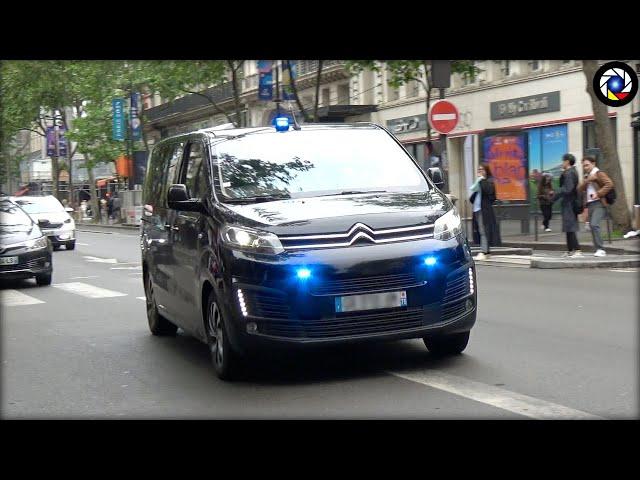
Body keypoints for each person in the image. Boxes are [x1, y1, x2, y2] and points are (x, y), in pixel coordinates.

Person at [577, 156, 613, 257]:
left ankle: (601, 249)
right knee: (591, 227)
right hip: (590, 204)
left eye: (587, 165)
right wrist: (587, 181)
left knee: (594, 224)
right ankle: (597, 248)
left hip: (599, 203)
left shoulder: (599, 173)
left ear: (593, 164)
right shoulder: (587, 176)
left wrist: (599, 193)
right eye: (584, 166)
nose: (586, 167)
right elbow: (579, 188)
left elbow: (609, 184)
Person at [552, 153, 582, 257]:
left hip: (569, 203)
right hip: (570, 202)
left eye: (563, 161)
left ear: (567, 161)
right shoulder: (571, 172)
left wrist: (556, 194)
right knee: (568, 227)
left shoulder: (569, 173)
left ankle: (577, 250)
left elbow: (567, 189)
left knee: (570, 226)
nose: (562, 163)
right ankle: (570, 250)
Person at [469, 163, 501, 260]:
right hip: (477, 209)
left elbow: (490, 193)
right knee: (481, 231)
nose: (480, 171)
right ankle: (486, 252)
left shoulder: (488, 182)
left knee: (484, 231)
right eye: (479, 170)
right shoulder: (479, 182)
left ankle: (484, 252)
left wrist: (481, 180)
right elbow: (471, 199)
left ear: (486, 171)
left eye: (482, 169)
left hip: (485, 210)